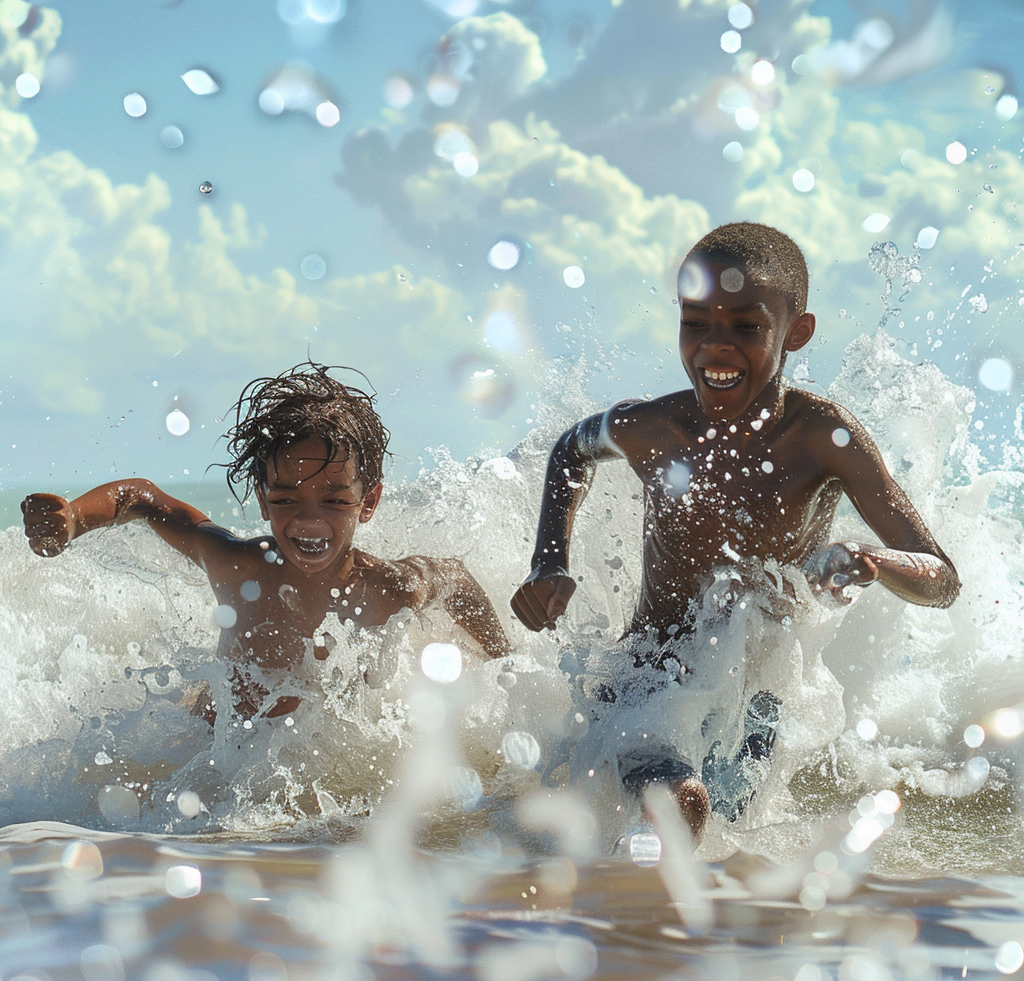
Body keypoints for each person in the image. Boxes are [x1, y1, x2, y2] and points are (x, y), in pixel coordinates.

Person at [511, 222, 960, 841]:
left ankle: (663, 929)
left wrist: (873, 560)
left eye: (746, 327)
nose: (714, 348)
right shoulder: (657, 427)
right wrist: (549, 560)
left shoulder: (825, 438)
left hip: (757, 702)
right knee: (681, 804)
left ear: (796, 332)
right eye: (695, 323)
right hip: (648, 676)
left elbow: (941, 579)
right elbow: (572, 449)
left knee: (724, 848)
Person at [23, 363, 511, 722]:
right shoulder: (238, 567)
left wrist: (503, 663)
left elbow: (456, 579)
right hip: (215, 754)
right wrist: (72, 520)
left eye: (335, 501)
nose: (308, 519)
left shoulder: (389, 589)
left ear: (370, 501)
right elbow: (145, 499)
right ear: (261, 498)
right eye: (285, 499)